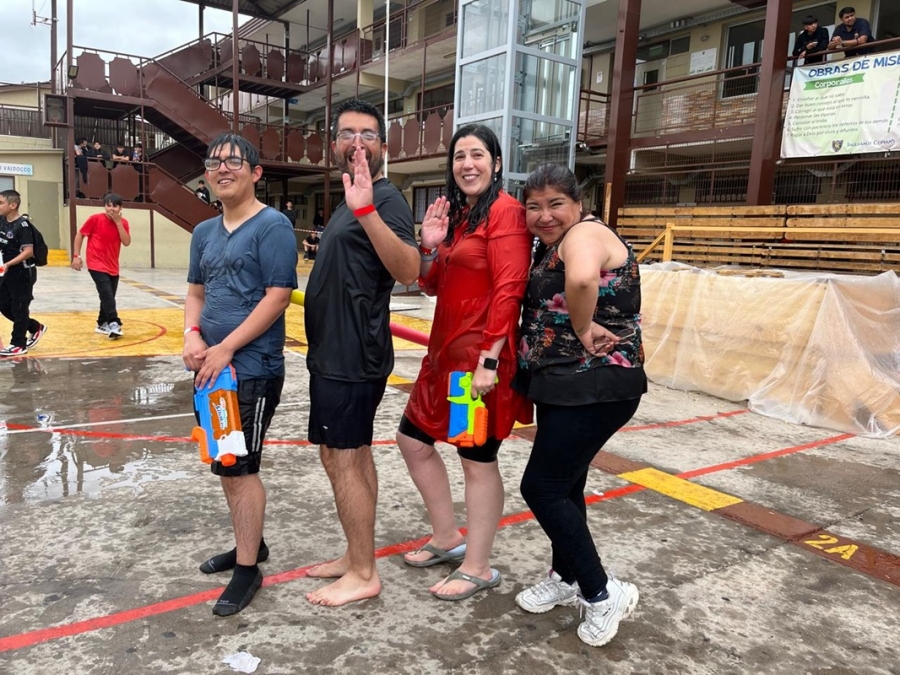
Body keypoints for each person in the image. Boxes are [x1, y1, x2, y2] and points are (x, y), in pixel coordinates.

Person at [396, 124, 533, 601]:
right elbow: (431, 284)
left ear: (496, 162)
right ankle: (447, 536)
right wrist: (429, 245)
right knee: (412, 440)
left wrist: (489, 361)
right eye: (459, 156)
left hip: (477, 362)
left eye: (477, 154)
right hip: (443, 355)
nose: (467, 164)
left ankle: (477, 566)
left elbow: (510, 289)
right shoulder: (459, 215)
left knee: (475, 457)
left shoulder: (506, 212)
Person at [513, 163, 646, 648]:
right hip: (564, 384)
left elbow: (585, 279)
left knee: (541, 487)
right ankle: (566, 576)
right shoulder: (554, 244)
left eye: (556, 204)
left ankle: (601, 591)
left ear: (578, 205)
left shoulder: (584, 235)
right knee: (567, 486)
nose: (544, 215)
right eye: (534, 207)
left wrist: (585, 327)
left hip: (595, 384)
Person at [303, 98, 419, 607]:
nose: (357, 142)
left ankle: (364, 573)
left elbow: (409, 269)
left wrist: (367, 210)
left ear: (382, 147)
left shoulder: (385, 200)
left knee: (345, 457)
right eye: (348, 133)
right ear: (334, 144)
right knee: (346, 454)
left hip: (354, 355)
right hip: (334, 354)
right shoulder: (350, 197)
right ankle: (356, 555)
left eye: (367, 134)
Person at [183, 132, 298, 616]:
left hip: (251, 369)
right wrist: (192, 335)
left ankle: (248, 569)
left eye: (234, 161)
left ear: (256, 173)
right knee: (224, 460)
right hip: (210, 369)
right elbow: (196, 292)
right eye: (214, 162)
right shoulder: (203, 233)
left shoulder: (273, 227)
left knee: (239, 465)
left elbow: (278, 296)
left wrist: (226, 348)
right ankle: (252, 543)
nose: (222, 169)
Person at [70, 193, 132, 339]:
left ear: (120, 208)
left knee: (108, 295)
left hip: (113, 265)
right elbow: (80, 235)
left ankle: (102, 323)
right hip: (95, 263)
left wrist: (118, 223)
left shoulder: (124, 223)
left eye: (114, 206)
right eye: (108, 205)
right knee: (107, 294)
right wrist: (76, 256)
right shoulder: (95, 219)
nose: (111, 209)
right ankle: (114, 322)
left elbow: (126, 242)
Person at [0, 190, 46, 357]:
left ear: (13, 205)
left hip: (23, 272)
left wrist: (9, 264)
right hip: (6, 271)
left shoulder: (23, 225)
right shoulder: (1, 221)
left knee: (19, 307)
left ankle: (18, 343)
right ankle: (34, 327)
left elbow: (28, 251)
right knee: (3, 305)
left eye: (1, 203)